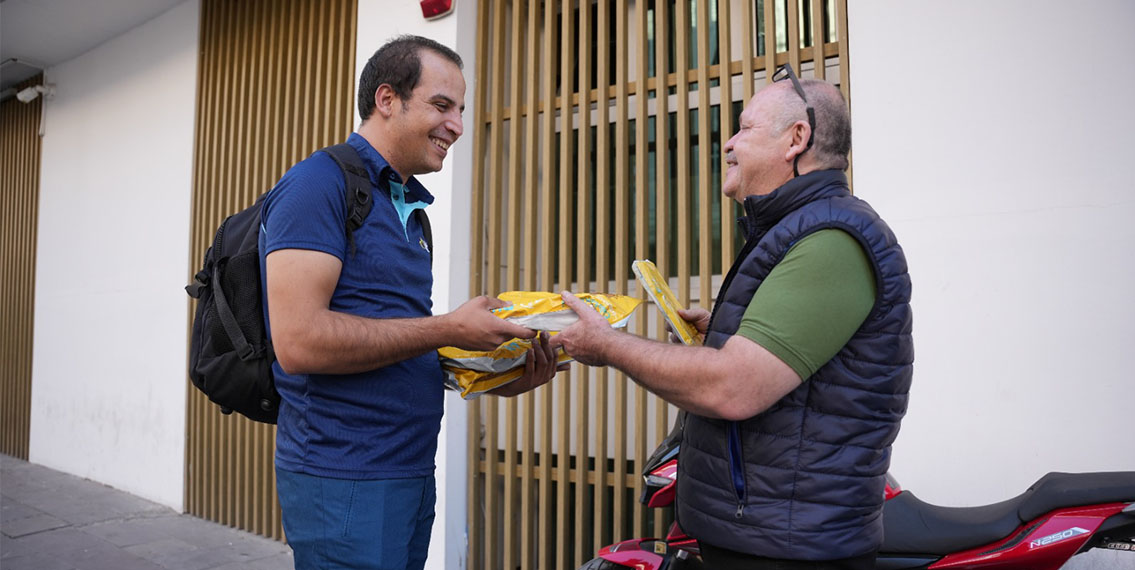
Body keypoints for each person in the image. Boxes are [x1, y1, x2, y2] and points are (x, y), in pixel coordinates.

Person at [555, 66, 912, 570]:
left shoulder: (832, 239)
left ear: (796, 139)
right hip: (765, 538)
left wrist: (608, 345)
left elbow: (734, 388)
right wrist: (722, 336)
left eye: (744, 128)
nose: (727, 143)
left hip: (787, 552)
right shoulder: (796, 228)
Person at [260, 35, 561, 570]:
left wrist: (498, 371)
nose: (458, 126)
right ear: (386, 99)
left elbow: (395, 342)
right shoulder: (317, 185)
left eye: (461, 110)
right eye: (442, 106)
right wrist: (447, 327)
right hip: (345, 478)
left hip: (408, 471)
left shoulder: (410, 212)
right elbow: (300, 342)